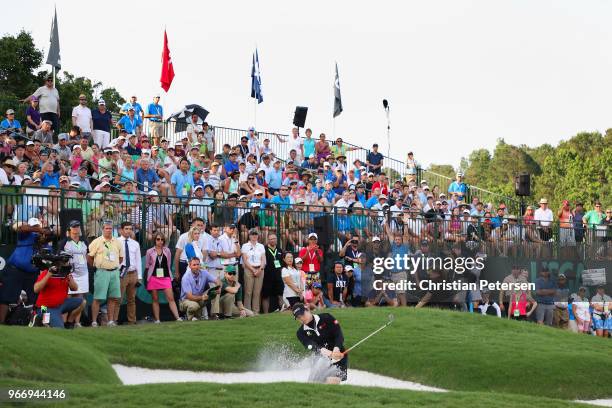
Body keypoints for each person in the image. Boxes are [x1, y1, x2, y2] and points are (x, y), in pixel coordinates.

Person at [0, 218, 44, 323]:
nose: (35, 228)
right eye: (33, 226)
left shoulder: (43, 239)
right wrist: (38, 230)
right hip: (15, 271)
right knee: (6, 298)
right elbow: (20, 227)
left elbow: (57, 232)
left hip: (32, 274)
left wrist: (45, 232)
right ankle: (1, 323)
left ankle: (41, 320)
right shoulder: (25, 234)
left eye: (37, 226)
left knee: (40, 300)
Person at [293, 303, 348, 384]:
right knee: (313, 384)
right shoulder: (301, 333)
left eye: (302, 314)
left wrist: (336, 349)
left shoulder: (326, 317)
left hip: (338, 356)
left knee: (332, 382)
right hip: (320, 360)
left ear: (307, 310)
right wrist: (329, 353)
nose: (301, 318)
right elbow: (312, 346)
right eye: (298, 317)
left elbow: (339, 335)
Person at [87, 220, 124, 327]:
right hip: (101, 272)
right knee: (98, 298)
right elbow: (89, 257)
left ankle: (110, 321)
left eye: (110, 228)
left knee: (113, 297)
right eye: (106, 228)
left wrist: (112, 265)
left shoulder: (117, 242)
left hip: (114, 272)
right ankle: (94, 321)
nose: (108, 230)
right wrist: (96, 266)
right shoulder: (96, 241)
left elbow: (121, 258)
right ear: (102, 229)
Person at [33, 258, 84, 329]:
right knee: (57, 327)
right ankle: (39, 318)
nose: (66, 264)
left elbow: (75, 288)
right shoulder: (46, 272)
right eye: (64, 263)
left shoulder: (66, 273)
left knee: (82, 302)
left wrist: (70, 279)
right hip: (43, 306)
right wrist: (48, 275)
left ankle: (69, 323)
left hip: (60, 305)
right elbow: (36, 289)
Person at [57, 220, 89, 327]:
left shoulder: (84, 241)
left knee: (80, 298)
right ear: (69, 229)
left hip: (83, 273)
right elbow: (60, 258)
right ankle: (64, 321)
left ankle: (76, 322)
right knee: (68, 297)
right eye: (73, 227)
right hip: (70, 273)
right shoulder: (64, 242)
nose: (76, 229)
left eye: (77, 227)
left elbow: (87, 256)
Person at [145, 232, 182, 323]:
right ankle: (157, 319)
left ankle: (177, 318)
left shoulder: (167, 251)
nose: (160, 241)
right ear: (154, 240)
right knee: (155, 299)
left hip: (165, 277)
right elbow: (147, 266)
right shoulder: (149, 251)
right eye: (158, 239)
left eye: (162, 240)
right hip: (153, 277)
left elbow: (168, 264)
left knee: (171, 298)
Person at [114, 222, 142, 325]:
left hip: (133, 273)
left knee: (132, 299)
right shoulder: (115, 242)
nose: (128, 231)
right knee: (118, 299)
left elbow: (138, 260)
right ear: (121, 230)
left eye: (130, 229)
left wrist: (139, 277)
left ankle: (132, 321)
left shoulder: (135, 244)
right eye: (126, 228)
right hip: (121, 274)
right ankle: (114, 320)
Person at [241, 229, 266, 314]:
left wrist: (260, 269)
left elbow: (263, 259)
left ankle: (256, 311)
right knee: (248, 292)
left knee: (257, 292)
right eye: (252, 234)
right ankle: (248, 311)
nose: (254, 236)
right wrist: (253, 270)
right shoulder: (245, 246)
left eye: (256, 234)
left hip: (260, 269)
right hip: (249, 269)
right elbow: (245, 260)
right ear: (249, 235)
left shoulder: (261, 246)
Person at [261, 233, 285, 313]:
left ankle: (282, 311)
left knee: (280, 295)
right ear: (268, 240)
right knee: (266, 296)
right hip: (267, 277)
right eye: (271, 239)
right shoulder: (264, 249)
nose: (273, 240)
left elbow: (282, 263)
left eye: (274, 238)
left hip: (278, 277)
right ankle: (266, 314)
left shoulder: (280, 250)